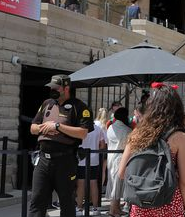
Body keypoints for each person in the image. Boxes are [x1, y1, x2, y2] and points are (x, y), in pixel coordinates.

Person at [118, 84, 185, 217]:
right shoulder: (179, 137)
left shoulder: (137, 133)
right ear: (177, 108)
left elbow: (122, 173)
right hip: (170, 203)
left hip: (140, 205)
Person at [28, 75, 94, 217]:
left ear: (66, 88)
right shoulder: (47, 103)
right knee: (36, 201)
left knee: (67, 202)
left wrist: (57, 126)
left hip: (65, 161)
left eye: (56, 88)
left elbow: (83, 133)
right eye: (51, 87)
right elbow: (33, 128)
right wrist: (43, 128)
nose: (52, 90)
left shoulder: (79, 107)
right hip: (43, 160)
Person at [75, 109, 106, 216]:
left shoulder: (79, 128)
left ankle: (79, 208)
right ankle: (95, 208)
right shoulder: (98, 129)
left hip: (81, 159)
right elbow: (102, 145)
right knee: (93, 183)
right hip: (94, 160)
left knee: (80, 184)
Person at [106, 108, 132, 217]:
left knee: (113, 183)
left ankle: (116, 209)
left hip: (110, 157)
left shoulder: (110, 127)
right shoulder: (127, 130)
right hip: (120, 158)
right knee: (117, 184)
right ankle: (113, 210)